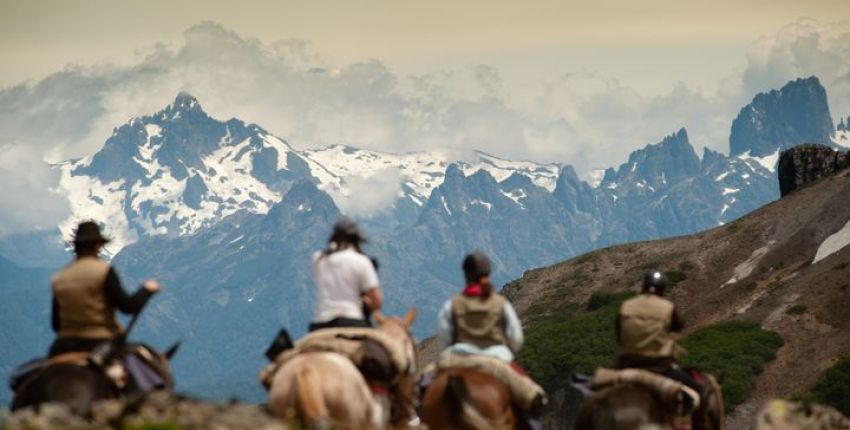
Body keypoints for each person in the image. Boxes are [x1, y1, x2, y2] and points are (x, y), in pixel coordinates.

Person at [49, 221, 161, 357]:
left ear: (76, 246)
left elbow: (56, 324)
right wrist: (146, 290)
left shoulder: (59, 278)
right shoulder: (103, 271)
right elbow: (127, 306)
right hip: (99, 343)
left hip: (62, 346)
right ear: (97, 245)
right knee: (145, 364)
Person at [616, 271, 701, 396]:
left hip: (627, 363)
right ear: (662, 289)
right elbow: (678, 326)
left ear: (644, 286)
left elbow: (619, 334)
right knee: (700, 391)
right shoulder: (667, 307)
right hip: (658, 365)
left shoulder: (626, 305)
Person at [436, 251, 523, 362]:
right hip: (498, 360)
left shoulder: (451, 305)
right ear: (488, 273)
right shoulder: (502, 304)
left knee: (427, 377)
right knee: (525, 380)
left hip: (460, 360)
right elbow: (516, 338)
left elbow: (444, 339)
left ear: (465, 274)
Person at [308, 217, 383, 332]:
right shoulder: (361, 261)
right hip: (352, 321)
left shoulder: (318, 258)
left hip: (321, 324)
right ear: (356, 240)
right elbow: (376, 301)